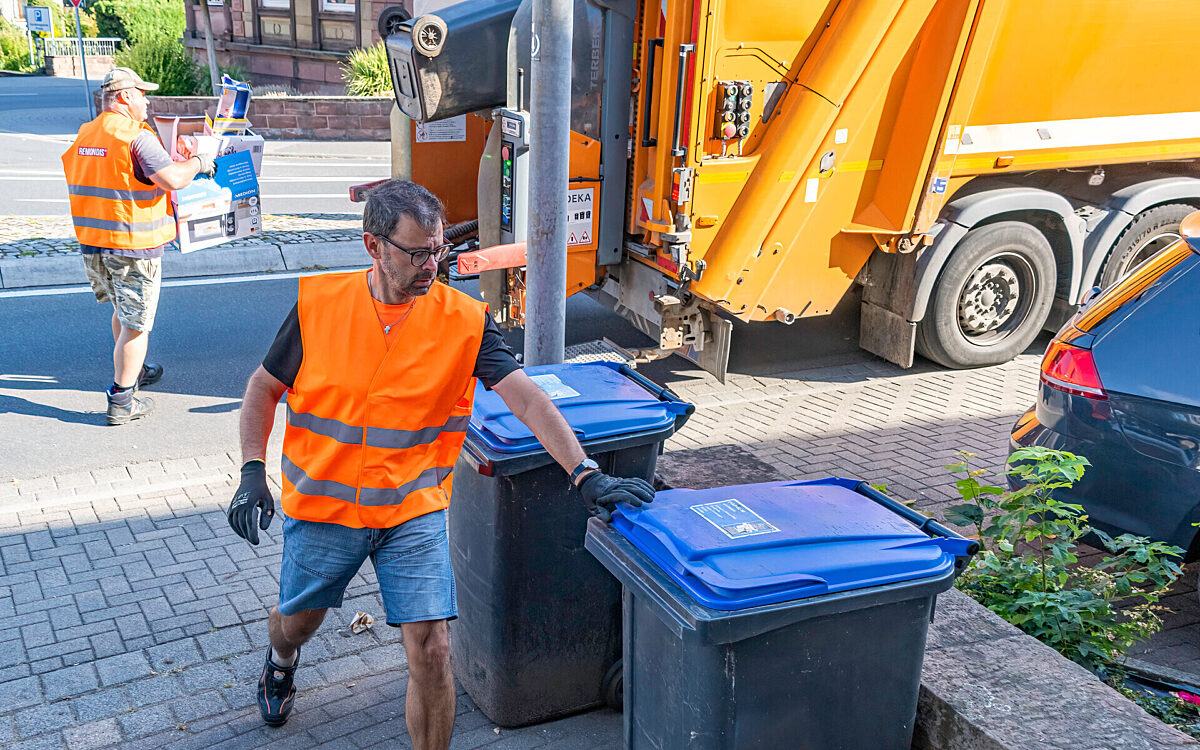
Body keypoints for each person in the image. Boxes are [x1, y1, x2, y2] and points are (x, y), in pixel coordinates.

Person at [227, 179, 654, 749]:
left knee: (432, 648)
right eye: (416, 252)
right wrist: (252, 471)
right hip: (325, 508)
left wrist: (584, 472)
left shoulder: (465, 321)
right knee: (297, 622)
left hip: (412, 510)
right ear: (373, 246)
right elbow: (263, 387)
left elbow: (526, 397)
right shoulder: (318, 306)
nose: (432, 264)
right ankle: (281, 661)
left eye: (438, 250)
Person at [61, 67, 216, 426]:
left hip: (94, 243)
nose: (147, 100)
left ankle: (136, 369)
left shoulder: (88, 133)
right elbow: (173, 179)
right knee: (137, 325)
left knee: (122, 310)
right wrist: (198, 162)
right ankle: (122, 399)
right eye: (143, 94)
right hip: (132, 246)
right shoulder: (135, 136)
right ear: (125, 97)